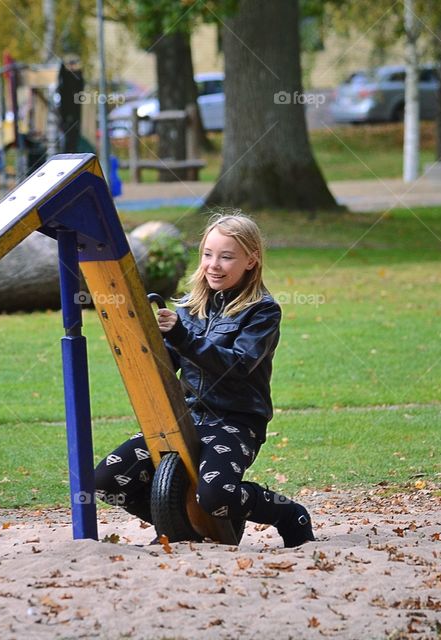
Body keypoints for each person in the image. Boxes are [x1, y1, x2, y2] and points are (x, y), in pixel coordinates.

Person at [94, 214, 315, 548]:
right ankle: (184, 528)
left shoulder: (262, 311)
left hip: (235, 420)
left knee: (215, 496)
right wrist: (149, 341)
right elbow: (168, 367)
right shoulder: (189, 307)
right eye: (208, 254)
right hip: (184, 416)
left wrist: (182, 337)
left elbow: (238, 365)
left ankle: (289, 514)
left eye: (227, 256)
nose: (214, 265)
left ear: (251, 260)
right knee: (105, 482)